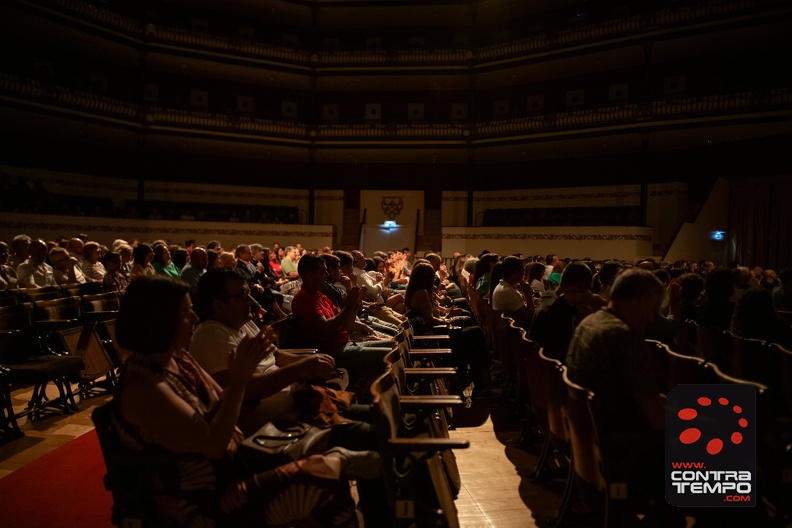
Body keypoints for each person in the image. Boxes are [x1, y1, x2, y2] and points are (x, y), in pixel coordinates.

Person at [112, 276, 378, 527]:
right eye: (185, 313)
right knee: (326, 479)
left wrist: (242, 386)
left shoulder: (177, 358)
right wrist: (240, 381)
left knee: (352, 458)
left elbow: (220, 400)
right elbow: (214, 445)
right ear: (157, 321)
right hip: (206, 495)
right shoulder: (143, 386)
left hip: (236, 461)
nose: (194, 318)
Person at [290, 254, 393, 383]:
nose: (327, 275)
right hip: (334, 353)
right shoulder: (304, 299)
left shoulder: (319, 295)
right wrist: (348, 306)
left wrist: (353, 304)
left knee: (395, 344)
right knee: (392, 356)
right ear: (310, 276)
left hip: (346, 343)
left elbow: (347, 324)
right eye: (323, 272)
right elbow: (328, 328)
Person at [405, 261, 491, 396]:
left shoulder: (421, 291)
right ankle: (480, 375)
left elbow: (434, 313)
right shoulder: (421, 293)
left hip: (437, 330)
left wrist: (447, 314)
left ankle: (476, 376)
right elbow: (430, 320)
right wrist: (447, 319)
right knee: (475, 333)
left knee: (472, 331)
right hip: (435, 335)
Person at [530, 262, 606, 362]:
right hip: (556, 369)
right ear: (582, 285)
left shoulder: (548, 297)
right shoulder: (557, 311)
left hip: (540, 365)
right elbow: (563, 353)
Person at [491, 256, 535, 327]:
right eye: (523, 273)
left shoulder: (502, 286)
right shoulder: (508, 292)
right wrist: (528, 293)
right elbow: (531, 318)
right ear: (516, 274)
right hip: (513, 334)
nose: (524, 276)